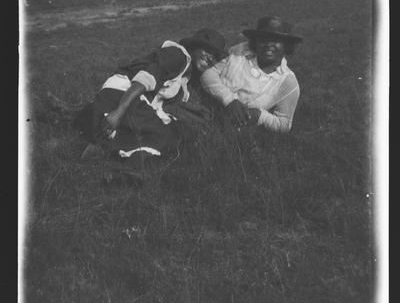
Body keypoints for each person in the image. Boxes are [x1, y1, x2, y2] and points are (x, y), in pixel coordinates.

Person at [73, 29, 227, 183]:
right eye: (207, 50)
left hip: (132, 103)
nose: (210, 58)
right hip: (120, 96)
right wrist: (118, 113)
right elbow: (142, 81)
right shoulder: (177, 56)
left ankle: (103, 144)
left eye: (215, 57)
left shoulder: (187, 75)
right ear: (194, 47)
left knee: (177, 131)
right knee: (165, 133)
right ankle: (128, 168)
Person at [199, 16, 303, 133]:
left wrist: (260, 116)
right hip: (204, 108)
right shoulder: (240, 52)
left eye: (276, 40)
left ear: (286, 46)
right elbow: (208, 74)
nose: (269, 44)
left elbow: (284, 124)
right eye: (263, 39)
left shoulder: (288, 82)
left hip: (234, 131)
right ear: (255, 41)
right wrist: (229, 100)